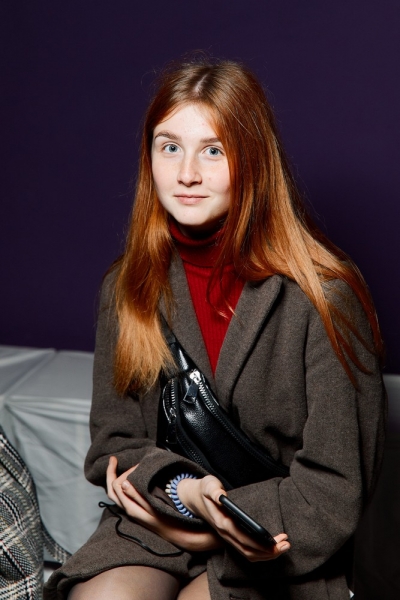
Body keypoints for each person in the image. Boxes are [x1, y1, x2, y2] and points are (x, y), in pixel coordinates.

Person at [44, 57, 386, 600]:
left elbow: (335, 487)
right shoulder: (126, 286)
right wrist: (184, 493)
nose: (187, 173)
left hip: (274, 539)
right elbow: (115, 442)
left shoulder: (326, 297)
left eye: (213, 150)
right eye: (169, 146)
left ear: (253, 160)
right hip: (157, 523)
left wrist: (216, 523)